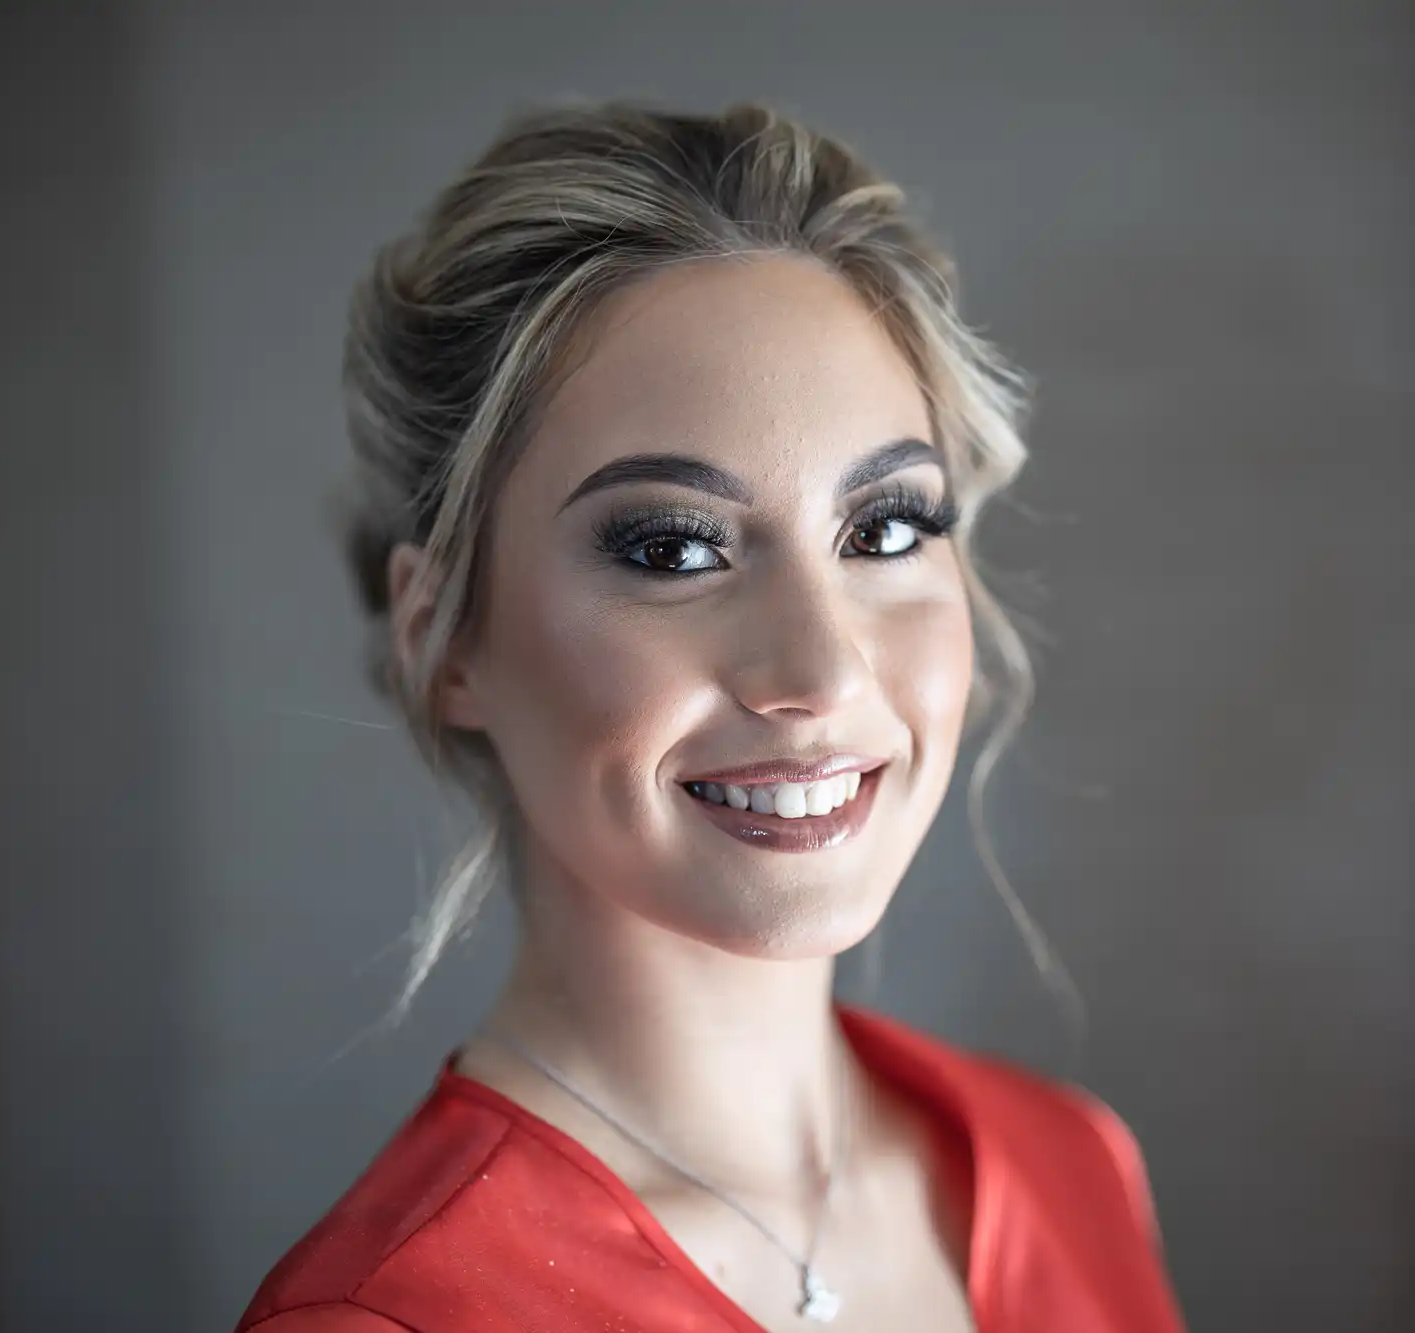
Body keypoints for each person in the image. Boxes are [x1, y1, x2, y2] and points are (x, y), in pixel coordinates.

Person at [236, 101, 1186, 1333]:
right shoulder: (391, 1317)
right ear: (446, 635)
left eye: (885, 529)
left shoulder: (1069, 1163)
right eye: (673, 548)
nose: (819, 669)